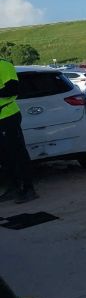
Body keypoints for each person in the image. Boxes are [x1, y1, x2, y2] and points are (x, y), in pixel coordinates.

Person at [0, 59, 37, 204]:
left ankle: (29, 189)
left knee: (17, 153)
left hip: (8, 116)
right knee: (4, 157)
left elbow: (13, 88)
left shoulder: (3, 65)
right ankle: (13, 188)